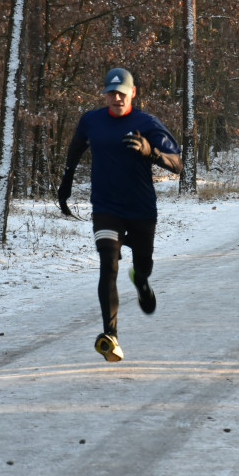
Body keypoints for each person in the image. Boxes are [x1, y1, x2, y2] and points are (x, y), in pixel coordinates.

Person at [57, 68, 183, 362]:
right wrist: (65, 185)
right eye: (111, 93)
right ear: (104, 94)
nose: (116, 98)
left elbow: (177, 165)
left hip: (140, 209)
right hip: (106, 207)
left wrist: (151, 152)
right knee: (108, 265)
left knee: (143, 264)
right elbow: (75, 152)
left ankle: (141, 281)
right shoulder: (91, 121)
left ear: (133, 93)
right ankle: (110, 336)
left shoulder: (146, 123)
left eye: (121, 93)